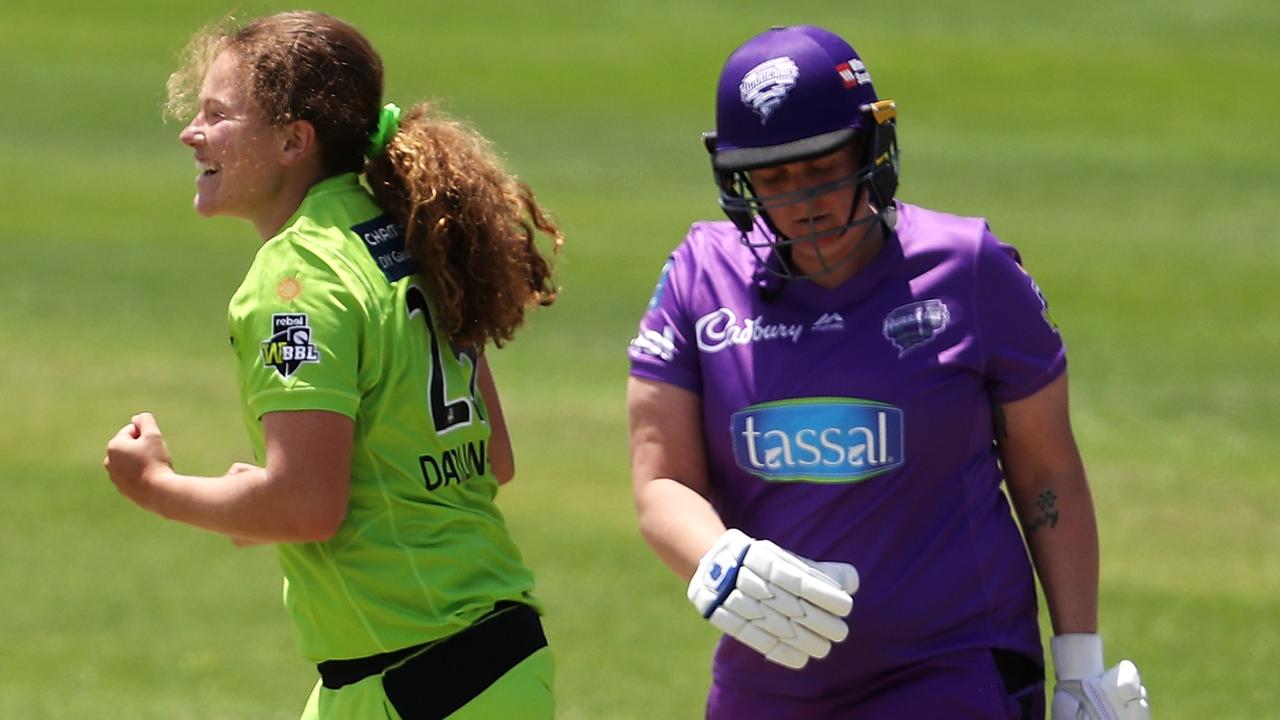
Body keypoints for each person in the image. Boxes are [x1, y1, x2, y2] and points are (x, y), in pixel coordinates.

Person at [627, 25, 1150, 719]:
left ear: (872, 147)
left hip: (949, 666)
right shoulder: (698, 275)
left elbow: (1046, 469)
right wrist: (717, 558)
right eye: (775, 178)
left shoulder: (969, 268)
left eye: (822, 165)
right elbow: (662, 478)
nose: (804, 197)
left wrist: (1082, 665)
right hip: (769, 677)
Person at [103, 11, 561, 719]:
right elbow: (488, 458)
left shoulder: (296, 278)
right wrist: (273, 503)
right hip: (482, 659)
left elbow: (307, 507)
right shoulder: (403, 233)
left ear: (293, 140)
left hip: (419, 677)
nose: (190, 132)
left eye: (217, 115)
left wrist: (157, 487)